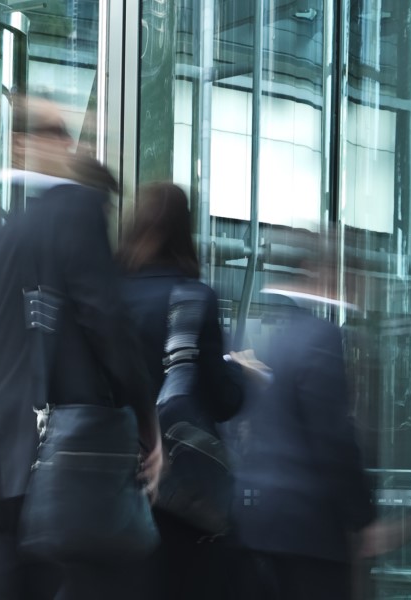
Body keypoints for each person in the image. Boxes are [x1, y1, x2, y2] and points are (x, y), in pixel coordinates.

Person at [0, 92, 160, 600]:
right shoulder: (74, 210)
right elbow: (106, 321)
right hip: (59, 456)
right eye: (56, 132)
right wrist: (149, 424)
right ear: (21, 143)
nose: (69, 144)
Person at [118, 183, 248, 599]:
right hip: (182, 488)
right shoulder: (195, 298)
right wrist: (240, 370)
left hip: (119, 479)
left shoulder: (111, 296)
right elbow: (223, 399)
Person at [229, 229, 374, 600]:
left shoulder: (276, 335)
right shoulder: (321, 337)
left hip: (258, 522)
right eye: (351, 274)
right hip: (305, 529)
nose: (356, 286)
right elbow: (333, 437)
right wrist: (362, 517)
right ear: (322, 271)